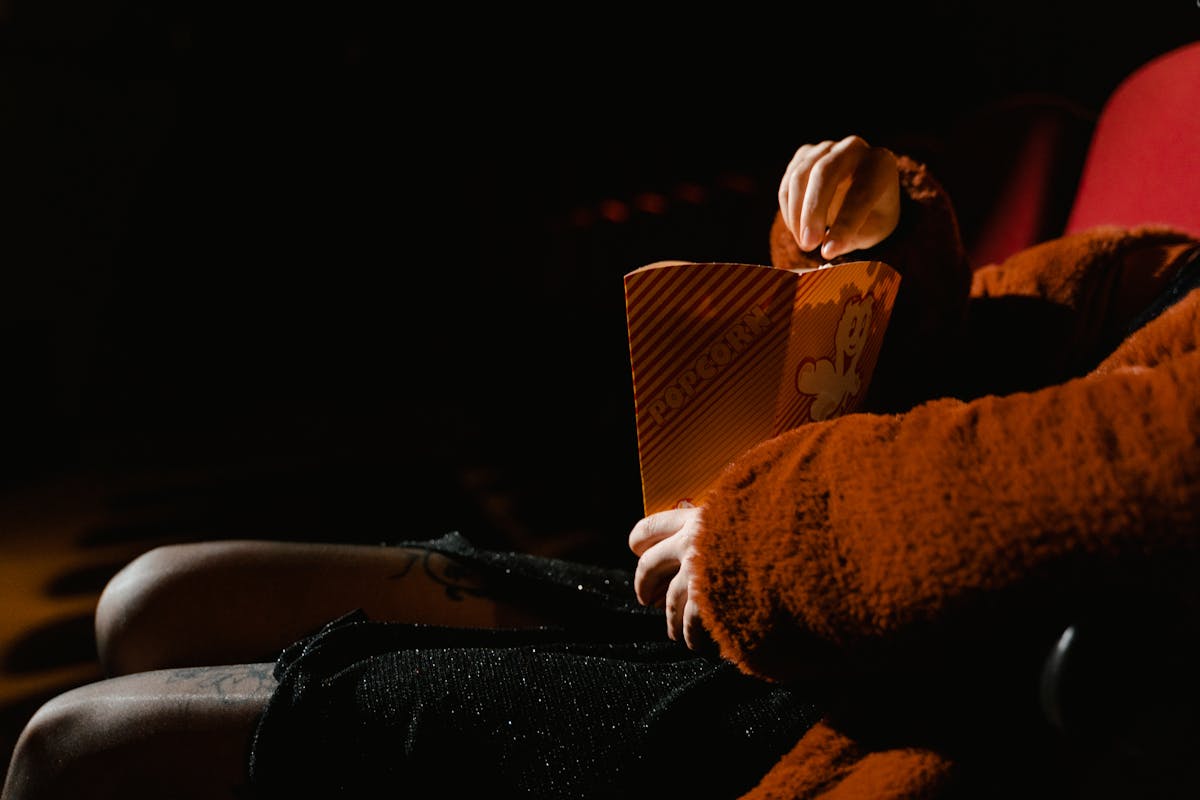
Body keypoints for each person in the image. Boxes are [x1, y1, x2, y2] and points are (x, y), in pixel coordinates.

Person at [3, 135, 1197, 800]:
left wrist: (762, 536)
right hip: (787, 598)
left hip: (890, 700)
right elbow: (998, 354)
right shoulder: (1167, 266)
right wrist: (882, 241)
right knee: (151, 595)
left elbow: (1124, 469)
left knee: (80, 752)